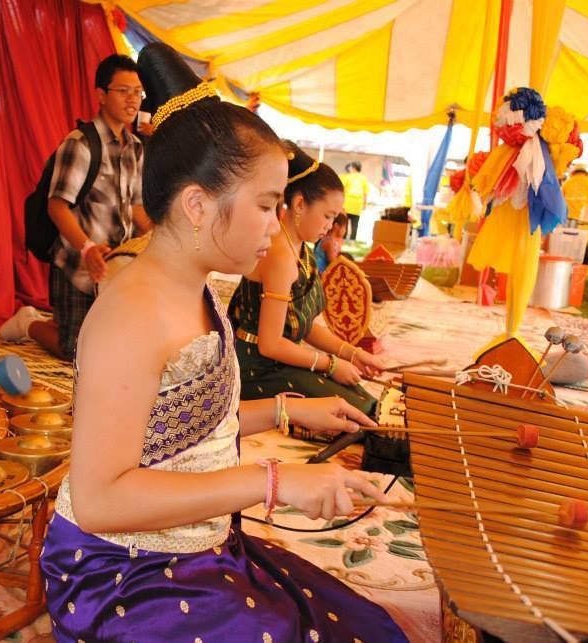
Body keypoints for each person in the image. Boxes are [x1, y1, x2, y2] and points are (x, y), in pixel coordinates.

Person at [40, 43, 407, 643]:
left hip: (198, 541)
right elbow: (101, 498)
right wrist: (273, 481)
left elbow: (182, 429)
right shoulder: (129, 314)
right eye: (266, 204)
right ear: (195, 204)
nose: (275, 223)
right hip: (121, 573)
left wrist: (287, 410)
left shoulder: (201, 284)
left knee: (359, 625)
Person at [0, 54, 151, 360]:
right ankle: (27, 322)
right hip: (76, 264)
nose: (132, 99)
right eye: (123, 91)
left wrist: (160, 236)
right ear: (101, 95)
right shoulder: (80, 143)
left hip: (114, 267)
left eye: (137, 92)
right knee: (76, 351)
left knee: (114, 347)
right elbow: (57, 206)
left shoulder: (135, 147)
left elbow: (135, 206)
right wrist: (86, 249)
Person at [227, 144, 385, 421]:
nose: (331, 225)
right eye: (328, 216)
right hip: (257, 368)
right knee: (357, 414)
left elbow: (303, 324)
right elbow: (270, 344)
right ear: (299, 204)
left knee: (365, 399)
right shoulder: (280, 256)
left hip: (276, 362)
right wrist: (330, 364)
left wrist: (352, 353)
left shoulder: (301, 248)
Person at [340, 161, 369, 241]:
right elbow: (365, 192)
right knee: (355, 223)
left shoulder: (348, 177)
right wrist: (364, 204)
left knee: (345, 222)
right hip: (357, 205)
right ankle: (353, 239)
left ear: (354, 168)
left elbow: (341, 189)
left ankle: (344, 237)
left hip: (347, 204)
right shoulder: (363, 178)